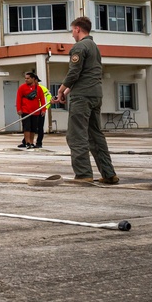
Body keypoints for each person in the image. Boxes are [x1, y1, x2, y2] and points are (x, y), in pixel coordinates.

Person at [56, 17, 118, 184]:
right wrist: (67, 91)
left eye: (72, 31)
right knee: (95, 135)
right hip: (95, 95)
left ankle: (83, 174)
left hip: (82, 97)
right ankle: (108, 173)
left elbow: (74, 72)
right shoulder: (94, 47)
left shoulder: (80, 47)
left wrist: (61, 89)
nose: (72, 35)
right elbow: (86, 74)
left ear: (77, 29)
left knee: (76, 136)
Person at [16, 71, 52, 149]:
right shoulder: (22, 87)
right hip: (25, 111)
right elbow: (18, 99)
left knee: (33, 128)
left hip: (36, 111)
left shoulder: (39, 88)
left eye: (28, 78)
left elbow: (42, 99)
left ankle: (32, 142)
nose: (26, 80)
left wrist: (43, 109)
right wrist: (19, 109)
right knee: (26, 127)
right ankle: (27, 142)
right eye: (25, 78)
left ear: (33, 79)